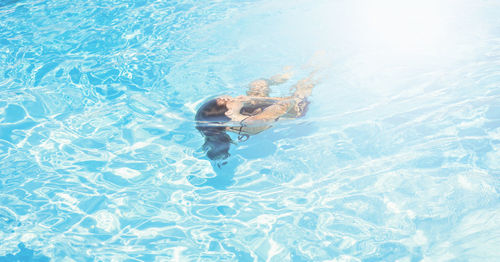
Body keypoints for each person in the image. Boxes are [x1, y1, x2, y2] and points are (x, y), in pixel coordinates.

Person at [195, 69, 316, 160]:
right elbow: (288, 102)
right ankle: (314, 69)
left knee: (258, 84)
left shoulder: (226, 122)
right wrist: (252, 98)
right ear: (229, 112)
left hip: (258, 109)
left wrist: (247, 100)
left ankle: (287, 74)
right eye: (227, 101)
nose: (230, 98)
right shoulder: (253, 122)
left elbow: (208, 120)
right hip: (297, 108)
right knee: (305, 83)